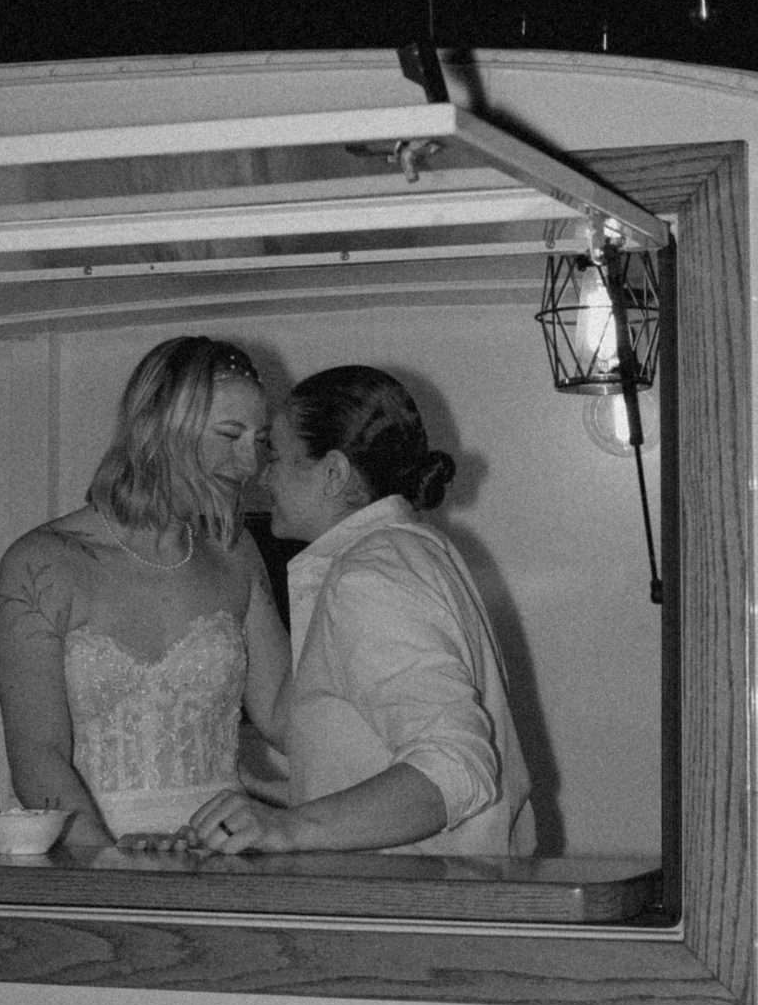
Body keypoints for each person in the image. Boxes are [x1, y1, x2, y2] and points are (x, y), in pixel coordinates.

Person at [185, 364, 533, 858]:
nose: (264, 477)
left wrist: (288, 830)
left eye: (277, 457)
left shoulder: (370, 577)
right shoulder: (412, 551)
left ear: (333, 473)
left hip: (412, 913)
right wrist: (259, 792)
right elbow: (357, 754)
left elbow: (457, 766)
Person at [0, 336, 289, 855]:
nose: (249, 464)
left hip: (224, 859)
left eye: (259, 440)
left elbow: (287, 717)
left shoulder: (234, 550)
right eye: (229, 435)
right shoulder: (42, 561)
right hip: (92, 859)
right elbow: (37, 757)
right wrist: (109, 858)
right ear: (160, 427)